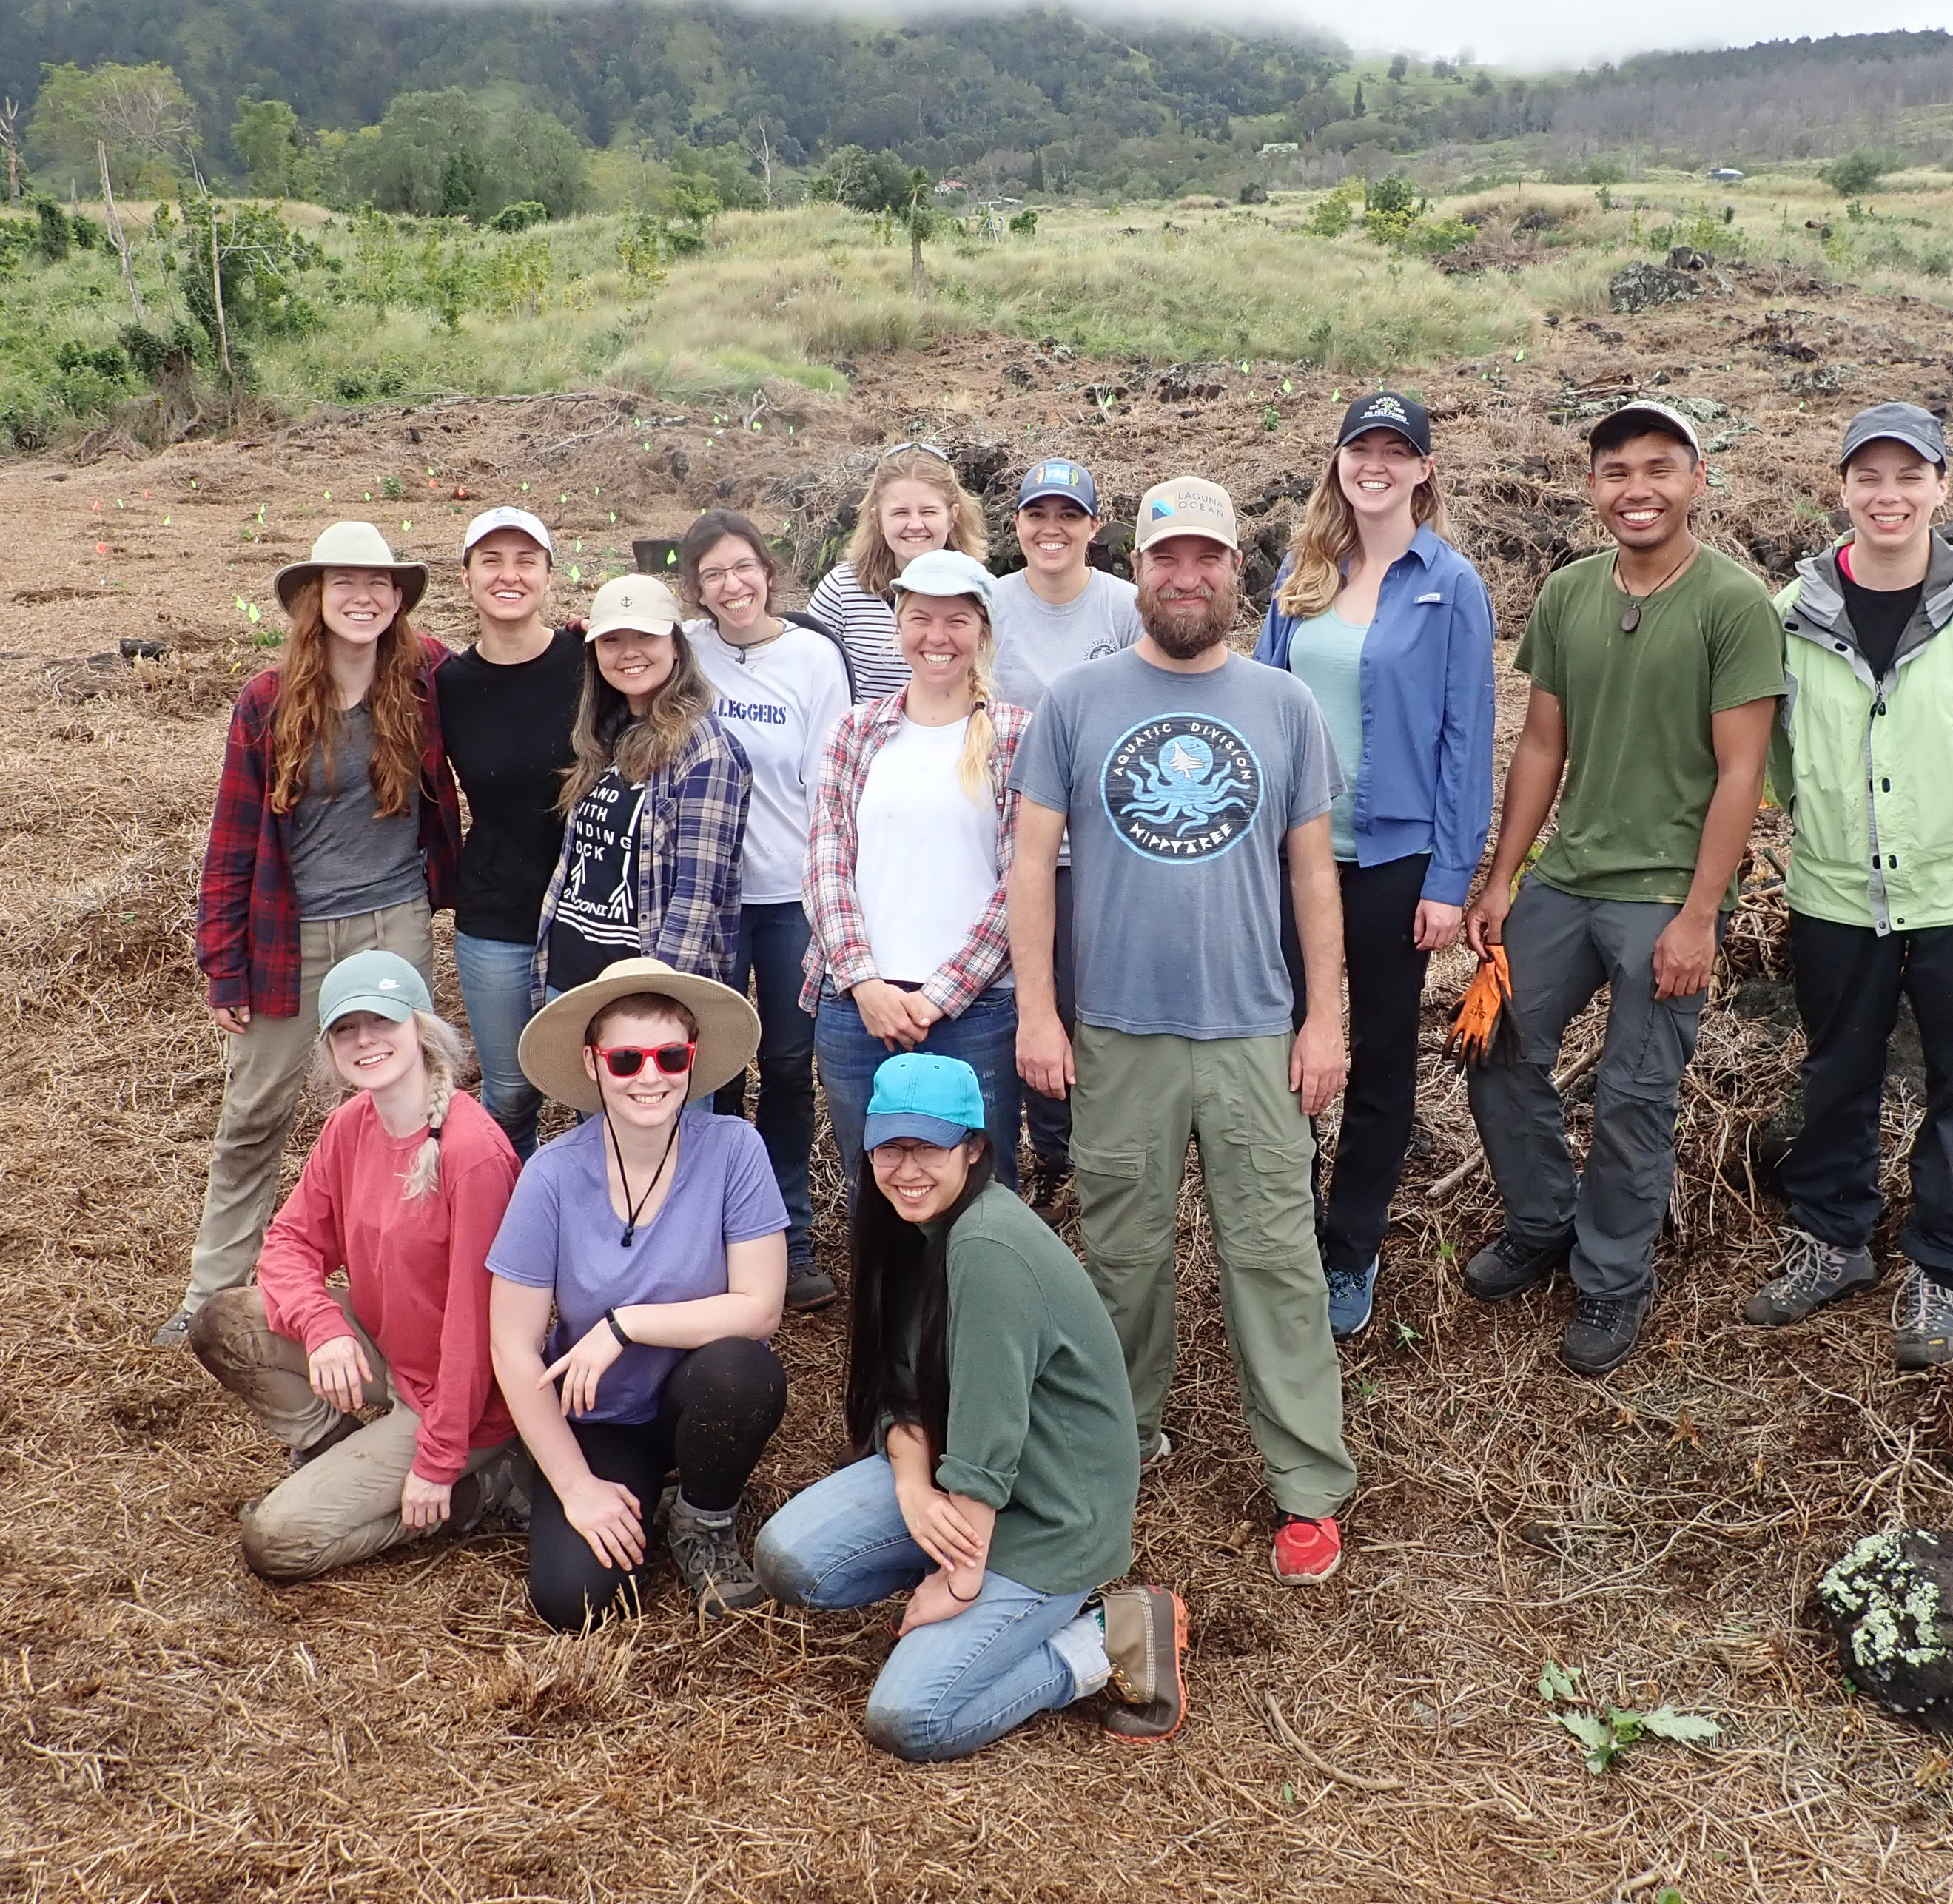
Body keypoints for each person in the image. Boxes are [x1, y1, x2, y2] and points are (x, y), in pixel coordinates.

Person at [1009, 476, 1359, 1587]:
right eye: (1168, 558)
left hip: (1256, 1029)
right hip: (1117, 1030)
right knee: (1121, 1258)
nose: (1188, 576)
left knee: (1276, 1258)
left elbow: (1313, 875)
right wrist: (1037, 1011)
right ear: (1141, 569)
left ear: (1234, 573)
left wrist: (1324, 1019)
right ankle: (1121, 1436)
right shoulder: (1078, 703)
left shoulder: (1282, 705)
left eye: (1207, 558)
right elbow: (1030, 866)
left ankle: (1306, 1484)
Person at [1459, 403, 1786, 1379]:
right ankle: (1545, 1217)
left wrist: (1698, 917)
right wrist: (1502, 874)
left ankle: (1611, 1281)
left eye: (1658, 468)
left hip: (1666, 896)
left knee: (1635, 1098)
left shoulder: (1734, 604)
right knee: (1494, 1047)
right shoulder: (1567, 594)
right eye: (1615, 471)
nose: (1635, 489)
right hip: (1570, 874)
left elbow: (1742, 775)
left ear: (1696, 481)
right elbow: (1544, 744)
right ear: (1592, 486)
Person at [753, 1052, 1189, 1759]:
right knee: (789, 1559)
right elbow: (901, 1390)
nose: (907, 1168)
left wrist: (959, 1579)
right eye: (890, 1147)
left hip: (1049, 1513)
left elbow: (990, 1435)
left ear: (975, 1149)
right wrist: (912, 1488)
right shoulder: (908, 1232)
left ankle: (1105, 1637)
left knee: (909, 1720)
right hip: (962, 1471)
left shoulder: (987, 1245)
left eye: (929, 1147)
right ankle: (981, 1601)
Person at [1753, 402, 1953, 1368]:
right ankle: (1837, 1243)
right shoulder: (1787, 615)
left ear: (1942, 487)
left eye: (1908, 477)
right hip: (1840, 893)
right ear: (1841, 489)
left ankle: (1942, 1264)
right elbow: (1772, 757)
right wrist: (1829, 827)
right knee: (1835, 1074)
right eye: (1868, 478)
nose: (1887, 496)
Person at [170, 519, 463, 1345]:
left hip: (393, 918)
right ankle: (212, 1291)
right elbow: (230, 840)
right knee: (255, 1111)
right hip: (287, 934)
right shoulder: (268, 701)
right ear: (316, 600)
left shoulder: (425, 680)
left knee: (406, 1102)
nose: (363, 598)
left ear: (397, 599)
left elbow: (521, 661)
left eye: (379, 584)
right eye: (345, 584)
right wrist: (222, 965)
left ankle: (410, 1284)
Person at [1254, 391, 1496, 1339]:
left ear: (1424, 470)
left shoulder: (1451, 583)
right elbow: (1263, 706)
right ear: (1339, 461)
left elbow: (1465, 741)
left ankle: (1350, 1250)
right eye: (1363, 448)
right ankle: (1283, 1230)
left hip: (1394, 858)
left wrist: (1448, 881)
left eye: (1398, 451)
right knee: (1282, 1047)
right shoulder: (1304, 571)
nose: (1378, 465)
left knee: (1382, 1059)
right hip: (1293, 853)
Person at [189, 950, 528, 1578]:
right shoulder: (351, 1124)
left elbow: (476, 1332)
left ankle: (481, 1491)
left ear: (421, 1029)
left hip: (463, 1401)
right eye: (346, 1028)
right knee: (221, 1322)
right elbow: (289, 1243)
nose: (365, 1040)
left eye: (383, 1022)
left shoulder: (472, 1153)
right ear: (329, 1047)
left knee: (276, 1544)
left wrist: (439, 1457)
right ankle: (332, 1447)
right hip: (387, 1348)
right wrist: (323, 1327)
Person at [486, 958, 790, 1627]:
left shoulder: (735, 1149)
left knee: (743, 1369)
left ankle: (703, 1518)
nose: (649, 1076)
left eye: (668, 1055)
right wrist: (576, 1487)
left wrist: (624, 1325)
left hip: (699, 1394)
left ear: (692, 1058)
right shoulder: (552, 1176)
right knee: (575, 1603)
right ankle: (552, 1480)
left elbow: (760, 1306)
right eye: (626, 1059)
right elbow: (511, 1346)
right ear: (594, 1064)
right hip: (601, 1416)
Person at [802, 548, 1030, 1207]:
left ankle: (980, 1312)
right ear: (898, 626)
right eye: (921, 618)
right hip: (857, 1010)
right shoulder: (856, 731)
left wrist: (939, 996)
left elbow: (1022, 881)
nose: (939, 637)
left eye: (958, 620)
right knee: (876, 1191)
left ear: (983, 630)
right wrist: (866, 984)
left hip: (976, 1011)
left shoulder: (1016, 735)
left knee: (978, 1194)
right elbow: (826, 863)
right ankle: (890, 1314)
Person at [679, 511, 856, 1312]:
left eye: (743, 567)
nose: (732, 586)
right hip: (708, 895)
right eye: (714, 574)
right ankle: (712, 1233)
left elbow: (830, 782)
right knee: (708, 1068)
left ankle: (789, 1232)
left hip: (789, 894)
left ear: (768, 569)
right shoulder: (685, 649)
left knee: (787, 1066)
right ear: (696, 588)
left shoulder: (814, 656)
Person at [988, 457, 1143, 1209]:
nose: (1052, 529)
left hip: (1106, 840)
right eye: (1037, 515)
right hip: (1012, 835)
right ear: (1016, 524)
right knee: (1029, 995)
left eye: (1068, 516)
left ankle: (1102, 1142)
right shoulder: (990, 603)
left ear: (1091, 526)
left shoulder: (1123, 605)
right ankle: (1051, 1151)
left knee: (1089, 999)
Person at [437, 506, 586, 1157]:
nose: (509, 576)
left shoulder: (591, 662)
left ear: (549, 576)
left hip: (591, 912)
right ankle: (503, 1243)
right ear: (467, 578)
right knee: (510, 1094)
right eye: (491, 562)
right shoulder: (445, 685)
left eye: (526, 561)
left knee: (595, 1093)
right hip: (495, 910)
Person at [534, 574, 750, 1003]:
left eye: (646, 636)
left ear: (675, 645)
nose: (629, 652)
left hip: (641, 987)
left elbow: (697, 894)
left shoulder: (706, 751)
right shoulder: (603, 734)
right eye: (612, 640)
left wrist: (657, 1000)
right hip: (570, 974)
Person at [807, 442, 989, 700]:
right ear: (877, 518)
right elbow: (806, 675)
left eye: (928, 511)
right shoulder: (841, 590)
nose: (915, 525)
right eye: (900, 513)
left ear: (952, 516)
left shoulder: (981, 589)